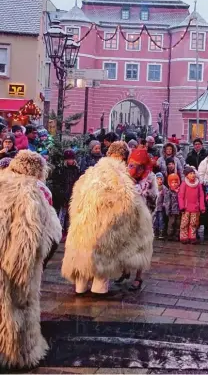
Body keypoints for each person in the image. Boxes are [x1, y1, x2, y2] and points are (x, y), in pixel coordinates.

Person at [62, 141, 153, 297]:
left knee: (82, 255)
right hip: (104, 226)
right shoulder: (120, 175)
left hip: (83, 223)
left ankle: (81, 287)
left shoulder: (90, 172)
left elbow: (75, 198)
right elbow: (127, 203)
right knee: (102, 256)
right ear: (124, 157)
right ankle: (99, 288)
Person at [0, 151, 62, 369]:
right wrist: (23, 276)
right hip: (13, 264)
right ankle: (17, 355)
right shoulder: (31, 192)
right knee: (14, 310)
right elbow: (28, 238)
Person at [115, 148, 157, 290]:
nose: (134, 168)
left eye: (138, 165)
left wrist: (147, 203)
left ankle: (138, 277)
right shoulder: (126, 175)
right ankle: (125, 271)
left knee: (141, 245)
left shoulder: (150, 177)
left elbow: (154, 196)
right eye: (132, 164)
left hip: (143, 217)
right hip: (127, 214)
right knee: (125, 243)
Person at [52, 149, 81, 242]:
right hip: (63, 196)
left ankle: (70, 233)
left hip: (73, 196)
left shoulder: (77, 169)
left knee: (71, 215)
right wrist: (61, 195)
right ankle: (60, 232)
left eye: (72, 159)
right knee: (62, 215)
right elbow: (56, 184)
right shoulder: (60, 170)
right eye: (68, 159)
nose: (70, 161)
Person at [179, 167, 205, 244]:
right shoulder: (184, 184)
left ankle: (192, 237)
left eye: (193, 173)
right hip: (186, 208)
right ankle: (184, 236)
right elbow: (181, 196)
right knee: (185, 223)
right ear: (186, 175)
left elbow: (201, 196)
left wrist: (202, 207)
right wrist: (182, 206)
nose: (193, 175)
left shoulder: (198, 184)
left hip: (195, 208)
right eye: (190, 173)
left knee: (193, 223)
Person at [164, 173, 181, 240]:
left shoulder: (180, 191)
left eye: (176, 182)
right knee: (171, 223)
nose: (174, 184)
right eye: (172, 182)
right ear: (169, 183)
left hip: (179, 211)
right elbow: (167, 202)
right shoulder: (168, 192)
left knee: (178, 224)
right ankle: (170, 235)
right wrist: (167, 211)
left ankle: (176, 235)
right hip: (172, 211)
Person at [153, 172, 168, 240]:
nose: (159, 180)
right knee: (154, 220)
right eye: (158, 179)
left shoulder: (164, 188)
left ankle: (161, 232)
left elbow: (166, 197)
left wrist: (164, 204)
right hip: (154, 207)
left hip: (160, 208)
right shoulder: (153, 187)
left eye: (161, 179)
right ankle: (155, 232)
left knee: (161, 220)